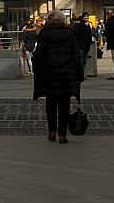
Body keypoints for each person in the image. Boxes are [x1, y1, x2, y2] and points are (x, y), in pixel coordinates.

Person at [32, 11, 84, 144]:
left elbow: (38, 55)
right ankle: (62, 135)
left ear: (49, 20)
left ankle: (51, 132)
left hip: (49, 74)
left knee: (50, 104)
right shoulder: (70, 33)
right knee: (64, 105)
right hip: (66, 74)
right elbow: (76, 55)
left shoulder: (43, 34)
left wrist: (37, 70)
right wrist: (79, 74)